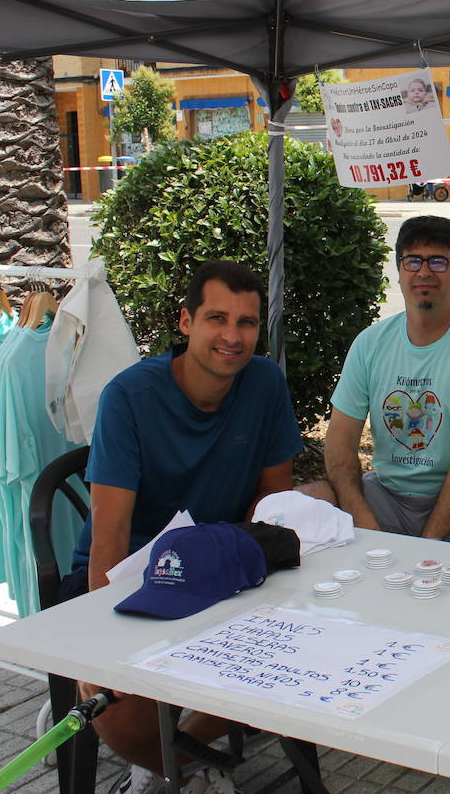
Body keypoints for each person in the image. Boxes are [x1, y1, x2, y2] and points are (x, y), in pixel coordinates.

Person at [69, 260, 305, 793]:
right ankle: (179, 765)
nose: (232, 335)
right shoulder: (128, 396)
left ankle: (180, 758)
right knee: (120, 712)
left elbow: (274, 504)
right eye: (217, 318)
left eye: (246, 323)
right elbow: (109, 532)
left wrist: (257, 575)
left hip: (220, 566)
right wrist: (103, 640)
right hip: (125, 573)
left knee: (293, 654)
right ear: (185, 322)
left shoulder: (264, 382)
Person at [321, 216, 450, 543]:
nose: (424, 272)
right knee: (311, 499)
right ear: (399, 272)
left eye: (438, 261)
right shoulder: (370, 342)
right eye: (413, 260)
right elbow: (339, 443)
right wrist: (364, 522)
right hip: (387, 495)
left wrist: (428, 543)